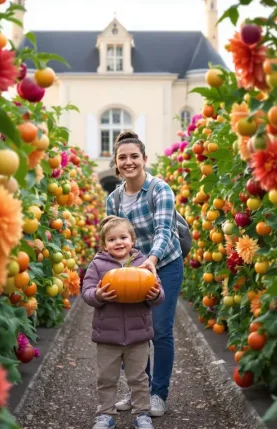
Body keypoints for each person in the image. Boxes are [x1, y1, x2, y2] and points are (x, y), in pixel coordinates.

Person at [105, 131, 184, 417]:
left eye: (134, 156)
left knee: (160, 330)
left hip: (165, 265)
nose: (129, 162)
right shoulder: (113, 200)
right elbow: (112, 239)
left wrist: (150, 260)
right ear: (116, 162)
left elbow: (165, 231)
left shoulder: (159, 189)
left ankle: (158, 394)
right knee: (135, 333)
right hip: (132, 271)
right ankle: (140, 390)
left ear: (144, 159)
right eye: (123, 157)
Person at [81, 216, 165, 429]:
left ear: (132, 240)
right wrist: (98, 295)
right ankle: (105, 415)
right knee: (106, 378)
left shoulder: (143, 264)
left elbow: (159, 293)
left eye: (123, 237)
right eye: (111, 239)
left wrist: (154, 295)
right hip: (107, 336)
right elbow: (87, 291)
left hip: (138, 336)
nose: (118, 242)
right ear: (104, 244)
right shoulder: (98, 265)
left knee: (139, 378)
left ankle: (142, 414)